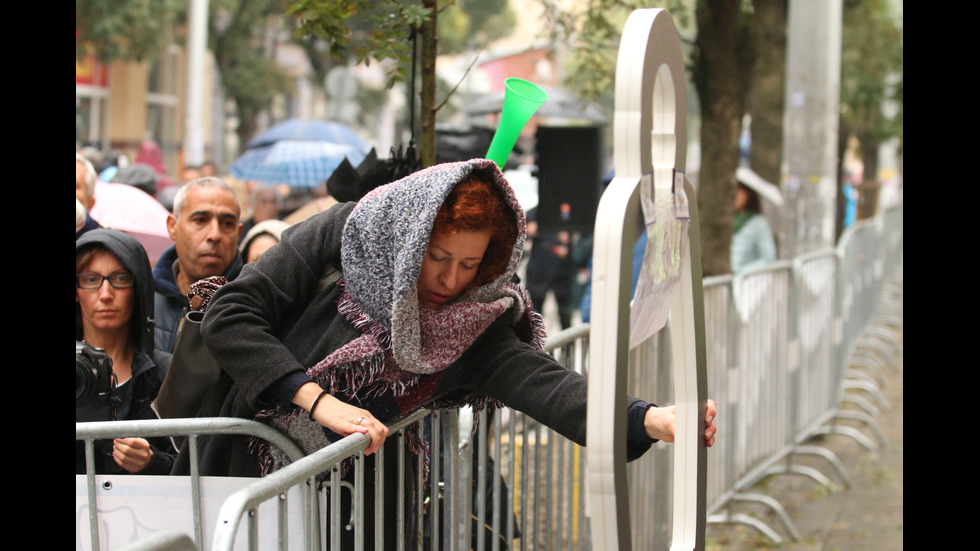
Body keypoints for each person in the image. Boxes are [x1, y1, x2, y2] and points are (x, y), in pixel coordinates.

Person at [177, 160, 715, 545]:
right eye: (436, 256)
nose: (451, 280)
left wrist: (649, 419)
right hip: (247, 474)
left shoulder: (472, 319)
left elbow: (544, 384)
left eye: (471, 264)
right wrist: (316, 400)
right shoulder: (348, 229)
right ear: (410, 239)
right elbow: (231, 315)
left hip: (367, 506)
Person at [76, 229, 175, 474]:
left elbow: (196, 464)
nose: (105, 294)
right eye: (90, 279)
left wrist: (153, 461)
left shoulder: (167, 373)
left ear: (138, 288)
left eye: (120, 279)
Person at [153, 178, 243, 352]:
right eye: (200, 220)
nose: (215, 235)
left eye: (227, 224)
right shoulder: (143, 299)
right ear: (173, 226)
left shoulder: (254, 302)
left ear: (238, 233)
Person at [730, 179, 778, 273]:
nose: (734, 196)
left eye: (738, 191)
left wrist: (741, 273)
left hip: (746, 283)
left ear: (748, 194)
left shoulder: (759, 223)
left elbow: (769, 259)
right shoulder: (728, 220)